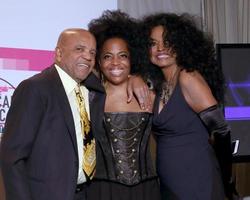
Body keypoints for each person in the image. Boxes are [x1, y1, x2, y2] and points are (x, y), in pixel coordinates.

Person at [0, 28, 150, 200]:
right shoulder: (35, 88)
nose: (87, 56)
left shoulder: (93, 90)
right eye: (79, 49)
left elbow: (116, 73)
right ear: (58, 53)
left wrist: (135, 77)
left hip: (88, 193)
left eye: (92, 52)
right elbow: (12, 158)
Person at [141, 13, 233, 200]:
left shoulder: (188, 78)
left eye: (168, 41)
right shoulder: (161, 84)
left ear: (182, 44)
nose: (160, 48)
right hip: (170, 182)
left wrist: (227, 180)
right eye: (153, 43)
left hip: (197, 180)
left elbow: (222, 131)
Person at [87, 10, 161, 200]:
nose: (115, 63)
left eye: (123, 55)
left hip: (146, 191)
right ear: (98, 61)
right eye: (107, 56)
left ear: (132, 58)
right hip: (103, 191)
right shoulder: (89, 98)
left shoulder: (150, 95)